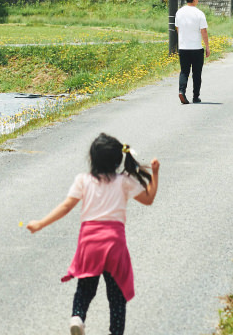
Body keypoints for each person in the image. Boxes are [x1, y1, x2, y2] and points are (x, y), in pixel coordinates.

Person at [27, 133, 160, 335]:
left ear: (92, 159)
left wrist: (40, 223)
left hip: (89, 244)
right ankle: (115, 332)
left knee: (85, 288)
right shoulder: (124, 181)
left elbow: (66, 207)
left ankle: (77, 317)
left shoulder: (83, 180)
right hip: (114, 245)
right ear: (118, 160)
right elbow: (148, 199)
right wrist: (155, 173)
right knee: (116, 296)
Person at [174, 0, 210, 104]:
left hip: (183, 47)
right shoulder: (199, 13)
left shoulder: (179, 12)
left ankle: (181, 91)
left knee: (184, 71)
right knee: (197, 73)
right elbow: (203, 31)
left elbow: (177, 28)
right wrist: (207, 47)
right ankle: (196, 96)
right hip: (196, 48)